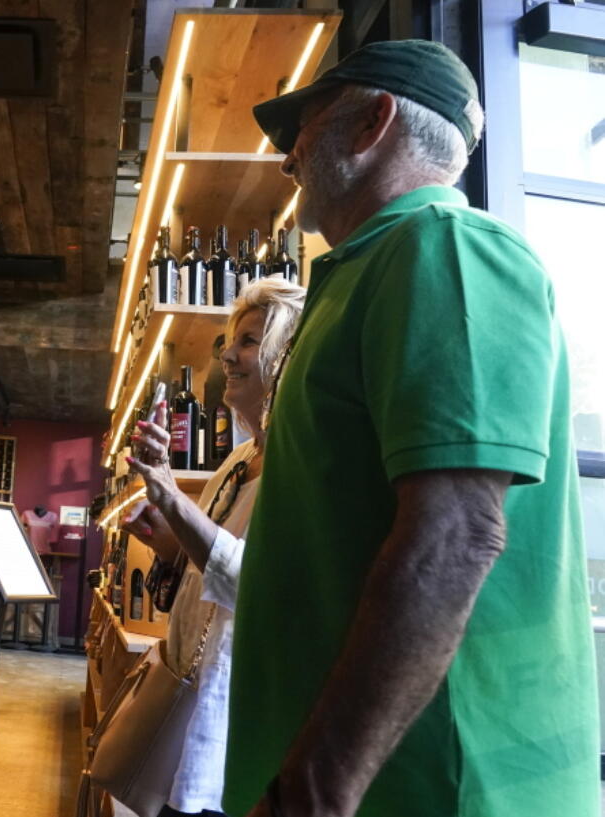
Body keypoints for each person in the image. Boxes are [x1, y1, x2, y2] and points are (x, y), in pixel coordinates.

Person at [222, 40, 599, 817]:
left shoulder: (447, 249)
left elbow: (457, 532)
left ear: (371, 124)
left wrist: (313, 790)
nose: (288, 157)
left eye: (303, 126)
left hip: (428, 787)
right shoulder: (369, 271)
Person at [121, 279, 305, 817]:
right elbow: (208, 570)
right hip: (186, 701)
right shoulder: (239, 459)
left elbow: (262, 588)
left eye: (248, 341)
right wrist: (167, 536)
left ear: (286, 353)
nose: (228, 353)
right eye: (231, 339)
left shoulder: (301, 469)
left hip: (228, 723)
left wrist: (173, 497)